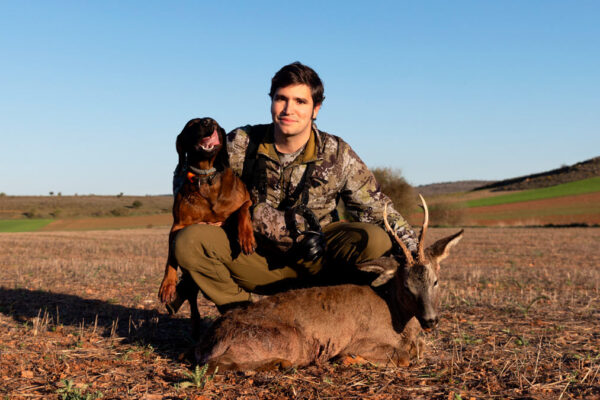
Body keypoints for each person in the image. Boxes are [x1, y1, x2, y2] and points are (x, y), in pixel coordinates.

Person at [164, 61, 418, 314]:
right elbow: (189, 170)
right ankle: (241, 316)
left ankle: (344, 314)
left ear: (316, 109)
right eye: (281, 99)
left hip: (319, 260)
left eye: (300, 101)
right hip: (255, 255)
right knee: (188, 241)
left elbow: (378, 209)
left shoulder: (337, 152)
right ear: (271, 101)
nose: (288, 109)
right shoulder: (239, 143)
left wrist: (416, 253)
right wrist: (207, 215)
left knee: (374, 240)